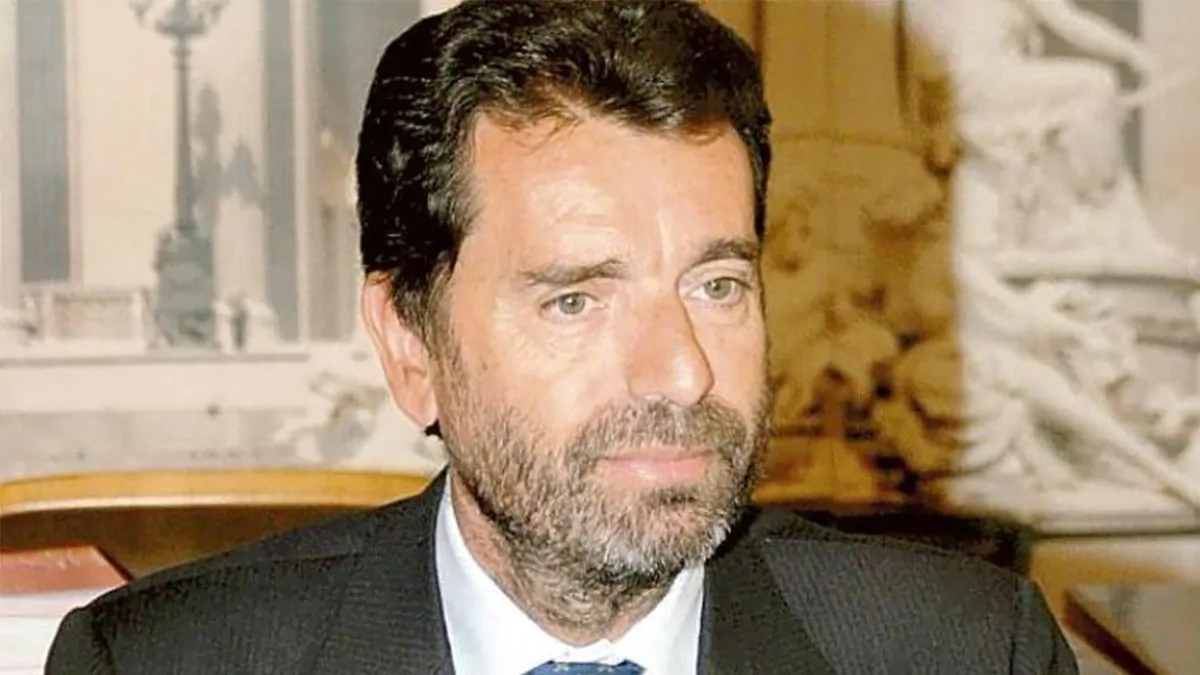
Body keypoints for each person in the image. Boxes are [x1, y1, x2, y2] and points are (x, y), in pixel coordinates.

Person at [47, 1, 1077, 672]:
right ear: (409, 345)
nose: (682, 369)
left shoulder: (969, 651)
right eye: (577, 299)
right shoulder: (159, 662)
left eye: (717, 285)